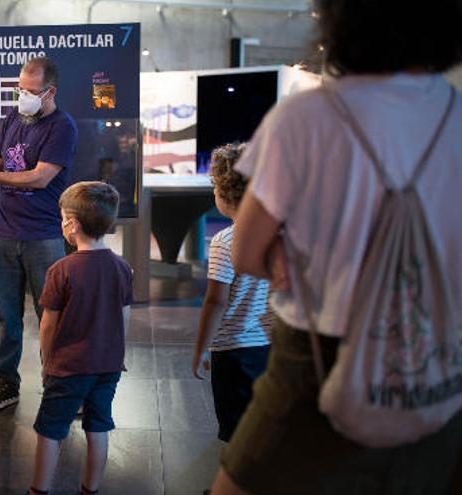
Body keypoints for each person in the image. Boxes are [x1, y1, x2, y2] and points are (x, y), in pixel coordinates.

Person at [209, 1, 462, 494]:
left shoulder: (305, 117)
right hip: (436, 357)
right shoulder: (455, 115)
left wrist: (288, 255)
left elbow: (245, 252)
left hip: (317, 359)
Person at [0, 56, 79, 411]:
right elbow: (0, 158)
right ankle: (4, 383)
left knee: (54, 314)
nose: (24, 96)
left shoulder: (63, 127)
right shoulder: (15, 117)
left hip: (43, 235)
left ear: (50, 91)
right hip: (2, 232)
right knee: (5, 314)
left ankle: (59, 384)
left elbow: (40, 177)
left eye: (31, 91)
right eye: (20, 88)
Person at [27, 181, 132, 495]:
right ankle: (91, 489)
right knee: (98, 427)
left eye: (62, 218)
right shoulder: (122, 268)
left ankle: (39, 490)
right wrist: (115, 353)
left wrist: (47, 361)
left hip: (68, 366)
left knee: (50, 430)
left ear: (71, 225)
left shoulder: (61, 270)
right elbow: (124, 318)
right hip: (108, 366)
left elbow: (48, 324)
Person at [192, 143, 272, 443]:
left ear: (225, 194)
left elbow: (215, 301)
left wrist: (201, 348)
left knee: (235, 427)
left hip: (233, 348)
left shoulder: (225, 240)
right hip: (270, 344)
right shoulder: (277, 233)